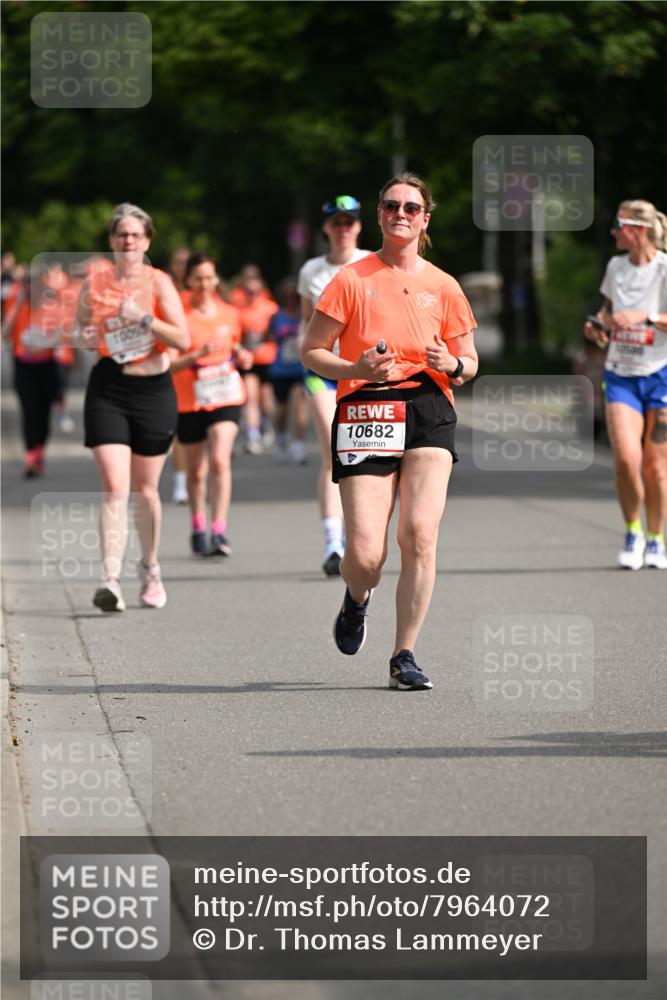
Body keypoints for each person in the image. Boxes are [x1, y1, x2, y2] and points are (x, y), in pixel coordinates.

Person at [301, 173, 478, 690]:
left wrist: (455, 363)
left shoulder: (444, 285)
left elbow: (469, 361)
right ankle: (357, 598)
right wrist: (354, 366)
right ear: (379, 215)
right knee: (364, 554)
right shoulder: (351, 280)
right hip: (366, 408)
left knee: (419, 534)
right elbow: (311, 351)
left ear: (425, 218)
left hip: (429, 406)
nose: (400, 213)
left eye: (411, 207)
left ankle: (405, 653)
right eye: (391, 205)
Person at [77, 203, 190, 611]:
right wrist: (89, 333)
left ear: (147, 241)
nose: (128, 240)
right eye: (121, 234)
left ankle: (150, 566)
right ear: (111, 240)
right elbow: (83, 329)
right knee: (115, 487)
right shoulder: (95, 282)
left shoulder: (158, 283)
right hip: (109, 388)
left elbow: (182, 338)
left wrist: (142, 319)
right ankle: (110, 579)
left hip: (153, 390)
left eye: (135, 235)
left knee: (145, 490)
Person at [584, 199, 667, 570]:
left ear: (639, 229)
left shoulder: (665, 269)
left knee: (656, 467)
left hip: (661, 375)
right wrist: (598, 325)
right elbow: (607, 310)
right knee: (626, 459)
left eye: (619, 224)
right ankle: (633, 531)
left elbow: (644, 316)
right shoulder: (615, 266)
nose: (614, 231)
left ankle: (656, 538)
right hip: (620, 375)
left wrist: (646, 317)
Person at [298, 196, 371, 576]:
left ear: (359, 226)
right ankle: (332, 543)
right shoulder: (311, 270)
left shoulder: (372, 264)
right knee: (332, 447)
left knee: (361, 455)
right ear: (326, 228)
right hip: (324, 370)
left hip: (363, 370)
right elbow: (307, 322)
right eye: (336, 222)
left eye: (349, 221)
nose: (343, 227)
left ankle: (361, 539)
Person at [171, 253, 252, 556]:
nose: (204, 284)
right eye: (198, 279)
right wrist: (197, 355)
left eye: (209, 277)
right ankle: (197, 525)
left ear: (216, 278)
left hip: (225, 395)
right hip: (189, 399)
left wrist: (243, 357)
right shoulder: (177, 315)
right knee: (195, 472)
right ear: (187, 281)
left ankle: (219, 531)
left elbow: (235, 348)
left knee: (219, 459)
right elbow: (169, 365)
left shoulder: (229, 313)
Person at [1, 268, 60, 477]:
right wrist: (17, 306)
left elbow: (61, 336)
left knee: (43, 413)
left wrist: (44, 345)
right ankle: (30, 457)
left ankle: (39, 451)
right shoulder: (17, 308)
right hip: (23, 366)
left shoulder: (51, 309)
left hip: (46, 366)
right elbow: (5, 335)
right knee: (28, 411)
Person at [236, 271, 279, 453]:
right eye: (247, 291)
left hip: (268, 358)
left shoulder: (270, 308)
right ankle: (252, 435)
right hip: (248, 361)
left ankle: (267, 423)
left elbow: (279, 332)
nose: (250, 294)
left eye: (254, 290)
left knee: (265, 399)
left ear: (261, 290)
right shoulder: (238, 310)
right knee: (250, 397)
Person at [268, 278, 308, 464]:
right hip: (280, 370)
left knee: (299, 406)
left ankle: (298, 446)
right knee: (282, 410)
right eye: (287, 295)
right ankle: (281, 438)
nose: (291, 298)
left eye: (295, 295)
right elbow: (268, 338)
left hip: (301, 369)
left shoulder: (305, 315)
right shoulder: (276, 316)